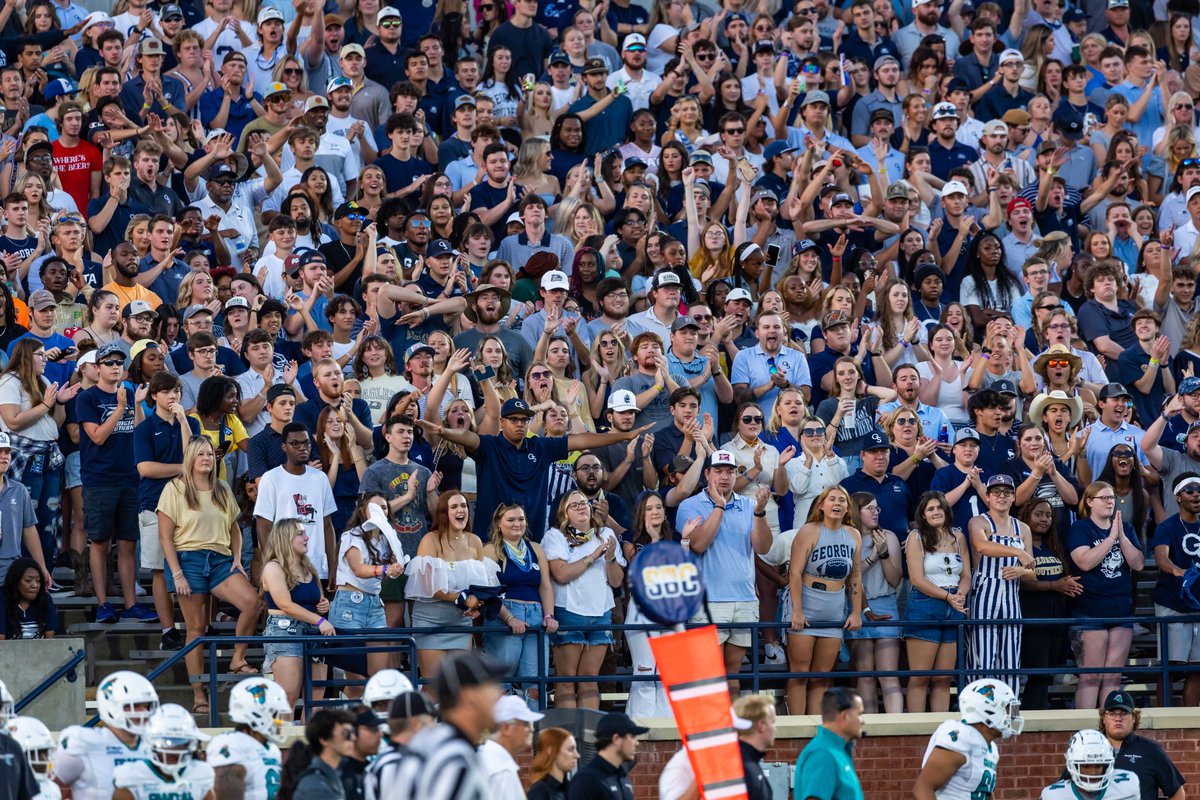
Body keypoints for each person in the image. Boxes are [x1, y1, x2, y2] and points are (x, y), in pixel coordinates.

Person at [158, 436, 259, 714]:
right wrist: (177, 574)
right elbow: (165, 537)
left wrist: (237, 557)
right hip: (187, 559)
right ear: (190, 458)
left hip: (219, 559)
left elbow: (235, 528)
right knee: (196, 628)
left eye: (209, 454)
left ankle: (238, 658)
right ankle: (198, 694)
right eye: (200, 454)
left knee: (252, 602)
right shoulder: (175, 488)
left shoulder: (222, 488)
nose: (206, 458)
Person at [385, 651, 507, 800]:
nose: (499, 694)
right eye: (491, 686)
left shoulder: (429, 744)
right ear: (468, 695)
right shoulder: (454, 759)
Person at [544, 490, 626, 709]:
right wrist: (593, 556)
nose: (581, 507)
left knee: (590, 679)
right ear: (564, 513)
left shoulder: (606, 533)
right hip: (570, 612)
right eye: (574, 505)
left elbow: (617, 581)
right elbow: (560, 574)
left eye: (584, 503)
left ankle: (588, 738)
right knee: (567, 678)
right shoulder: (555, 536)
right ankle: (568, 738)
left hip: (601, 613)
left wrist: (609, 559)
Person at [1068, 481, 1145, 710]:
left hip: (1120, 609)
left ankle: (1107, 731)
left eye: (1112, 497)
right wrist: (1110, 538)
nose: (1110, 501)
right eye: (1104, 498)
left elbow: (1138, 563)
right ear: (1090, 502)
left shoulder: (1125, 528)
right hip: (1089, 611)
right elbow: (1084, 561)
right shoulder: (1080, 528)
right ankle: (1086, 732)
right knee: (1091, 676)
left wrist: (1120, 535)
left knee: (1112, 677)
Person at [786, 486, 862, 715]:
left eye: (842, 500)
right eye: (831, 499)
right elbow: (794, 573)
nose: (837, 503)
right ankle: (797, 727)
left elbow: (856, 574)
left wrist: (856, 611)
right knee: (800, 673)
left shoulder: (853, 534)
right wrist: (797, 611)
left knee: (822, 675)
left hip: (835, 605)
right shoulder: (809, 531)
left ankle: (816, 725)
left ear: (848, 507)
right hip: (808, 601)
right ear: (821, 505)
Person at [481, 503, 558, 703]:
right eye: (511, 519)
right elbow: (488, 591)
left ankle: (534, 733)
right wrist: (509, 618)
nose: (517, 524)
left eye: (521, 519)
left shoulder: (535, 548)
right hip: (505, 615)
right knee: (500, 686)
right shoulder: (490, 549)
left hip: (535, 615)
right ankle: (500, 733)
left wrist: (549, 615)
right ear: (498, 524)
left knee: (536, 686)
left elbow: (545, 586)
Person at [965, 474, 1034, 694]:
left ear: (1014, 497)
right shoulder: (978, 521)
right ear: (987, 496)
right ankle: (979, 710)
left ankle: (1009, 711)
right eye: (996, 491)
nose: (1001, 496)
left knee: (1011, 658)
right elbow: (982, 546)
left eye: (1007, 492)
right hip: (985, 591)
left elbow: (1032, 571)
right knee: (983, 657)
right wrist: (1018, 551)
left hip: (1012, 596)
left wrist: (1021, 570)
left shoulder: (1023, 528)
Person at [260, 518, 335, 711]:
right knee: (287, 696)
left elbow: (318, 599)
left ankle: (308, 738)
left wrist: (324, 605)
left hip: (313, 629)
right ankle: (281, 740)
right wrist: (320, 620)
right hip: (285, 630)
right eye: (301, 534)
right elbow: (285, 604)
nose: (307, 537)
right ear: (286, 538)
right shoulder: (273, 567)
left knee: (317, 694)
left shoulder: (308, 567)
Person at [52, 671, 159, 800]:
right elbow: (45, 787)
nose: (143, 712)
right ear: (111, 707)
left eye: (146, 706)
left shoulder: (158, 744)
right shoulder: (85, 742)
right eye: (134, 706)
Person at [912, 679, 1023, 800]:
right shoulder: (961, 736)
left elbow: (983, 792)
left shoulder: (991, 748)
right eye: (1007, 709)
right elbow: (922, 788)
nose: (1011, 716)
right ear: (988, 709)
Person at [1151, 472, 1200, 706]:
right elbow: (1161, 557)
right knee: (1170, 667)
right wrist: (1176, 570)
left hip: (1198, 606)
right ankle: (1164, 717)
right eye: (1189, 490)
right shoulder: (1167, 527)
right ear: (1178, 497)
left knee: (1198, 668)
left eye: (1199, 490)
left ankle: (1189, 719)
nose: (1196, 494)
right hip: (1172, 602)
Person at [207, 678, 290, 800]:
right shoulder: (231, 743)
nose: (279, 722)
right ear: (257, 714)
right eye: (274, 715)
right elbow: (226, 794)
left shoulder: (271, 748)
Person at [111, 704, 215, 800]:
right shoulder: (131, 775)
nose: (172, 750)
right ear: (149, 741)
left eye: (180, 743)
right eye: (164, 743)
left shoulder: (201, 773)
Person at [1097, 690, 1187, 800]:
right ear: (1104, 718)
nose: (1118, 718)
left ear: (1134, 718)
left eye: (1124, 713)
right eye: (1112, 713)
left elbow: (1177, 793)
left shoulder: (1150, 750)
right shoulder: (1087, 750)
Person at [792, 688, 866, 800]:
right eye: (859, 714)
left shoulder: (835, 750)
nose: (863, 721)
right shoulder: (823, 754)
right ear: (845, 716)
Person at [1042, 729, 1141, 800]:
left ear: (1106, 766)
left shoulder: (1127, 787)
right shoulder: (1053, 796)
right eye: (1086, 766)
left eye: (1098, 766)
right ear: (1073, 766)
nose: (1093, 772)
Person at [568, 712, 647, 800]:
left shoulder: (622, 775)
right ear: (616, 739)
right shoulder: (586, 779)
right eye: (632, 737)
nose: (637, 743)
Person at [479, 695, 543, 800]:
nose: (531, 729)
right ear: (506, 728)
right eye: (526, 724)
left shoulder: (490, 758)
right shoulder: (501, 769)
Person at [290, 709, 357, 800]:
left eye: (353, 732)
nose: (353, 738)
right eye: (346, 733)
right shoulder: (314, 785)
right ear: (324, 740)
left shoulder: (336, 774)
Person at [527, 728, 581, 800]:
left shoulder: (571, 788)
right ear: (552, 751)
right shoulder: (539, 791)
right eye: (570, 749)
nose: (577, 755)